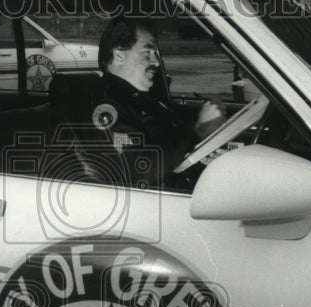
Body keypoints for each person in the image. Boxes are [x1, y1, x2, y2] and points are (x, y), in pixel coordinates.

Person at [90, 18, 224, 187]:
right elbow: (139, 169)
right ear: (119, 55)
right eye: (148, 52)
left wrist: (201, 157)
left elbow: (168, 143)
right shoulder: (107, 108)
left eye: (156, 54)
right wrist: (198, 130)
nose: (156, 62)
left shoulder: (143, 99)